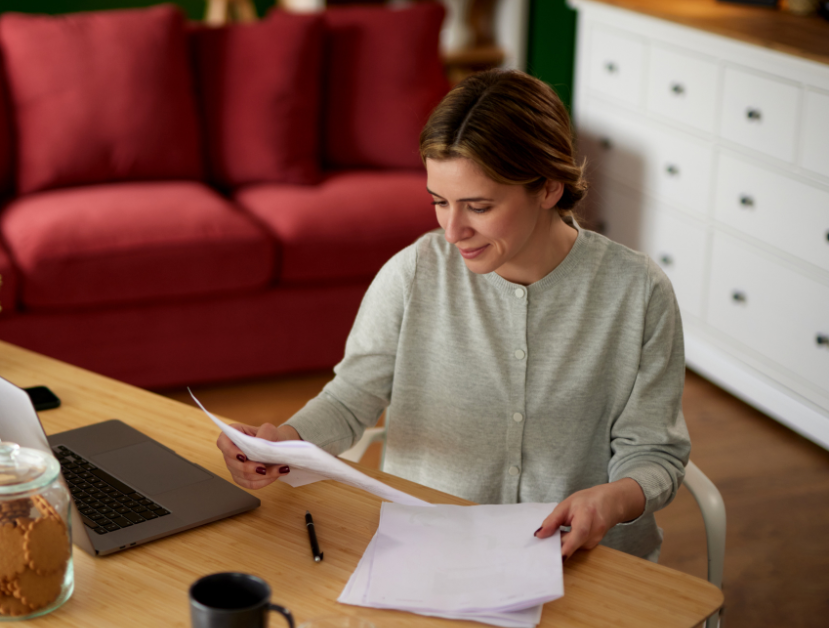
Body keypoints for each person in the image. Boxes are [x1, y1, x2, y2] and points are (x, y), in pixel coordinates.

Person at [215, 69, 690, 562]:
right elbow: (351, 398)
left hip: (587, 561)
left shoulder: (638, 292)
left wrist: (616, 498)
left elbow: (656, 452)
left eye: (478, 206)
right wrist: (282, 443)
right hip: (436, 549)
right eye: (440, 202)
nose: (452, 230)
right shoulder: (414, 274)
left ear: (549, 188)